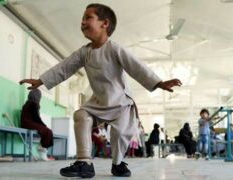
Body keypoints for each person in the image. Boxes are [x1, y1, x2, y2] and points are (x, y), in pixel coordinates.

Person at [19, 3, 182, 178]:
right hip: (98, 102)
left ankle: (118, 164)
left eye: (88, 17)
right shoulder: (84, 52)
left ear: (105, 24)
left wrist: (158, 83)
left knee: (120, 134)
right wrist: (41, 80)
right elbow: (64, 67)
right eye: (82, 18)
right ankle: (84, 163)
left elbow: (137, 67)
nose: (82, 22)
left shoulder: (114, 48)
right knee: (81, 115)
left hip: (120, 102)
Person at [20, 89, 53, 161]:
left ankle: (41, 150)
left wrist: (43, 126)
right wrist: (44, 125)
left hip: (26, 123)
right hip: (28, 124)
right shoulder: (33, 104)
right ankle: (42, 151)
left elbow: (35, 118)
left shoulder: (27, 103)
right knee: (48, 131)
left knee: (47, 131)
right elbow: (36, 118)